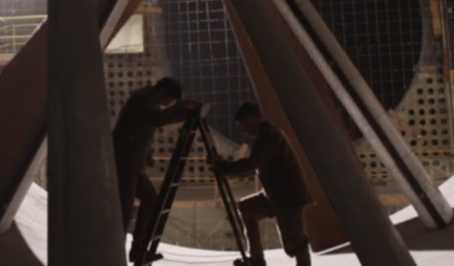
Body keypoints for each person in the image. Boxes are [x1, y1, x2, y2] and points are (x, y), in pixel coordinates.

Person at [112, 77, 201, 262]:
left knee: (150, 199)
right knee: (124, 211)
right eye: (168, 101)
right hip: (126, 164)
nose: (166, 105)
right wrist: (182, 105)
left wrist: (185, 113)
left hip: (134, 164)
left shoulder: (147, 100)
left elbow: (156, 120)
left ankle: (138, 249)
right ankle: (113, 254)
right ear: (163, 92)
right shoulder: (142, 99)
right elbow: (158, 119)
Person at [213, 103, 313, 266]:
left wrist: (223, 167)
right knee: (248, 208)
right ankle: (256, 259)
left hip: (289, 198)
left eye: (244, 124)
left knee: (295, 244)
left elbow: (251, 164)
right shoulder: (266, 135)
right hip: (276, 195)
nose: (244, 130)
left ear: (253, 119)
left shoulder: (269, 137)